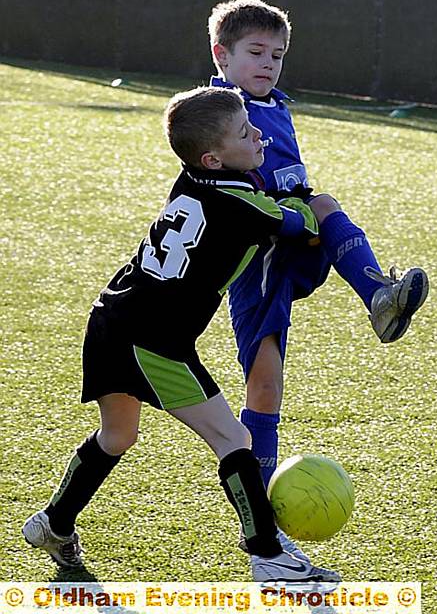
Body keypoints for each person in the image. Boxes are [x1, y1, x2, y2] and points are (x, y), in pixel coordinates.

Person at [22, 86, 340, 583]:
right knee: (232, 436)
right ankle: (268, 556)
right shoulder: (243, 208)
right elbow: (301, 221)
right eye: (244, 132)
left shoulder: (192, 176)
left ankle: (53, 524)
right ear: (213, 158)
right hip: (151, 338)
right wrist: (322, 206)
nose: (258, 133)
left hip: (111, 317)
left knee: (118, 435)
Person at [207, 0, 429, 550]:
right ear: (222, 55)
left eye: (277, 56)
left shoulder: (277, 104)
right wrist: (283, 206)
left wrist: (299, 205)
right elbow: (224, 178)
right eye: (255, 53)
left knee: (324, 203)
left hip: (292, 234)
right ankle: (257, 516)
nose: (268, 64)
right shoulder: (220, 108)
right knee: (265, 382)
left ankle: (378, 293)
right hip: (257, 250)